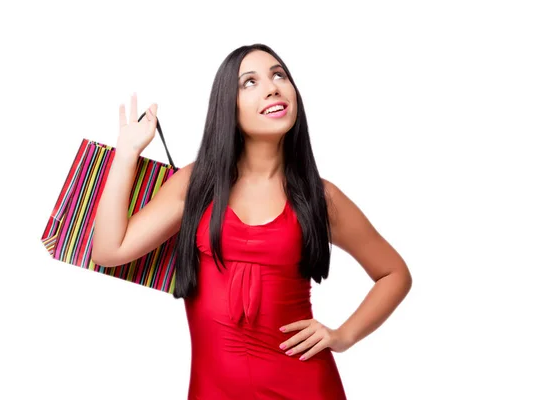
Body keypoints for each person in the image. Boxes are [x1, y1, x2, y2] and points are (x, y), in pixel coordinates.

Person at [91, 43, 412, 400]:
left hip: (306, 386)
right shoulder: (196, 184)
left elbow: (394, 273)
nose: (272, 86)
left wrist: (343, 335)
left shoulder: (320, 197)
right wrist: (126, 154)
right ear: (228, 107)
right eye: (250, 82)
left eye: (279, 75)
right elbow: (108, 250)